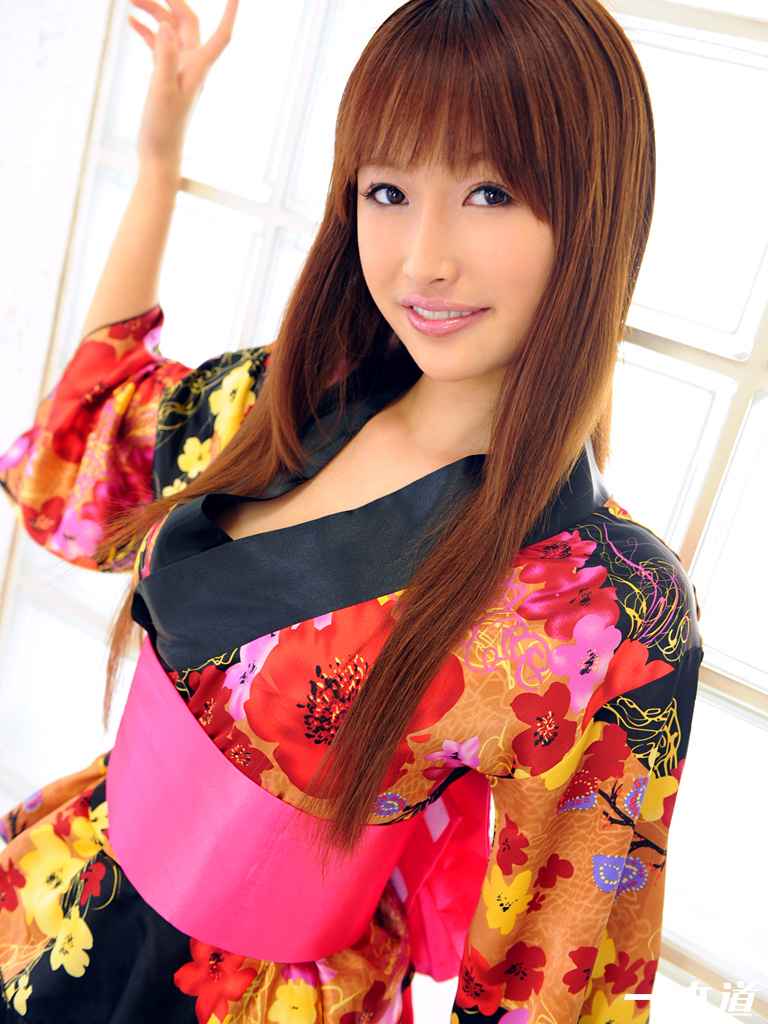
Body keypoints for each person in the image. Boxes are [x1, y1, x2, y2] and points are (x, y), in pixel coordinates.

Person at [0, 0, 705, 1021]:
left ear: (597, 211)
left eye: (489, 191)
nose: (423, 258)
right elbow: (98, 425)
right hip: (64, 893)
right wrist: (158, 162)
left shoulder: (600, 606)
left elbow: (558, 984)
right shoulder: (286, 399)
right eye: (388, 190)